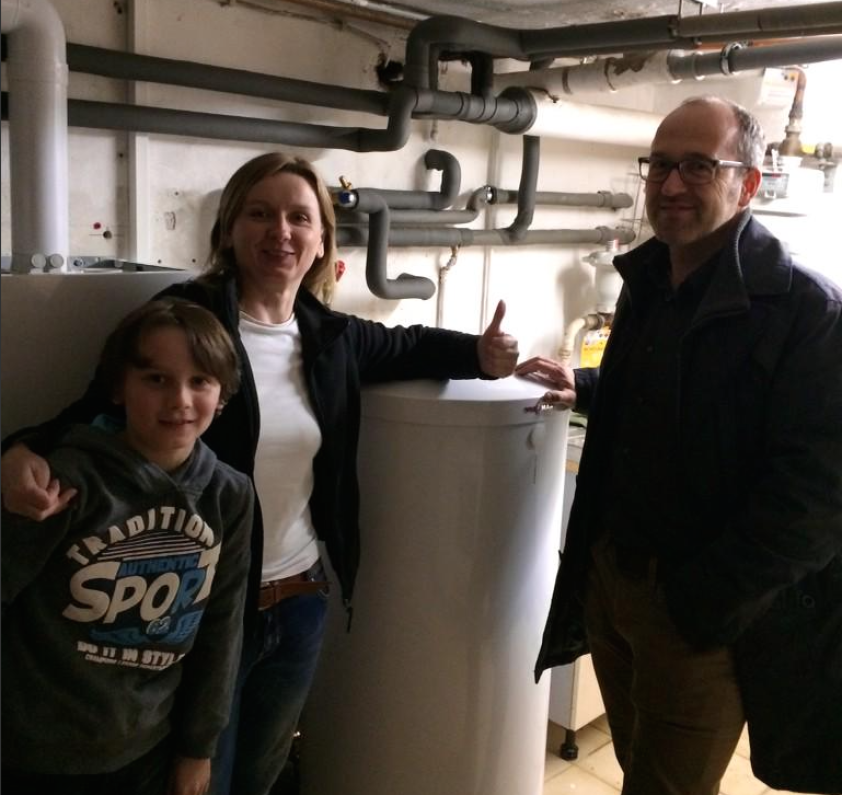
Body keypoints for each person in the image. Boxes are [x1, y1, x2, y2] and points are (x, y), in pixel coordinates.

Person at [1, 151, 521, 795]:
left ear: (322, 239)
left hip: (299, 598)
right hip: (201, 608)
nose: (281, 231)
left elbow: (411, 345)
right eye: (260, 213)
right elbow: (95, 411)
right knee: (202, 776)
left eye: (300, 218)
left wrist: (483, 355)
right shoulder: (192, 319)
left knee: (261, 775)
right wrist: (18, 451)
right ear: (229, 228)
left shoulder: (330, 336)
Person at [516, 95, 842, 795]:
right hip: (611, 585)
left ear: (747, 184)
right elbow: (674, 389)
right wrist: (586, 384)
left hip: (698, 614)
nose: (669, 186)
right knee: (638, 764)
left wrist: (702, 604)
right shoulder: (650, 282)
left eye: (698, 166)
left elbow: (816, 500)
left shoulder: (808, 313)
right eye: (659, 165)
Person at [1, 298, 254, 795]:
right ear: (118, 387)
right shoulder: (63, 483)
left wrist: (198, 748)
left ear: (223, 394)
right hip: (34, 751)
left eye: (200, 381)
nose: (180, 400)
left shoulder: (230, 495)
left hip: (147, 751)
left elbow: (221, 628)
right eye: (156, 379)